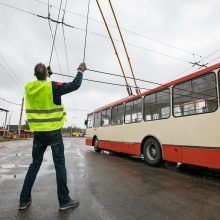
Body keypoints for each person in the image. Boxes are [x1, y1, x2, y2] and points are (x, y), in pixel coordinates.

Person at [19, 62, 86, 211]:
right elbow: (75, 85)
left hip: (38, 133)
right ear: (45, 75)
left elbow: (41, 86)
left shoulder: (29, 88)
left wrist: (47, 76)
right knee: (59, 165)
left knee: (34, 164)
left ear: (34, 75)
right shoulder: (54, 86)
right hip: (54, 132)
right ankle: (64, 201)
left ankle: (23, 201)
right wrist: (80, 70)